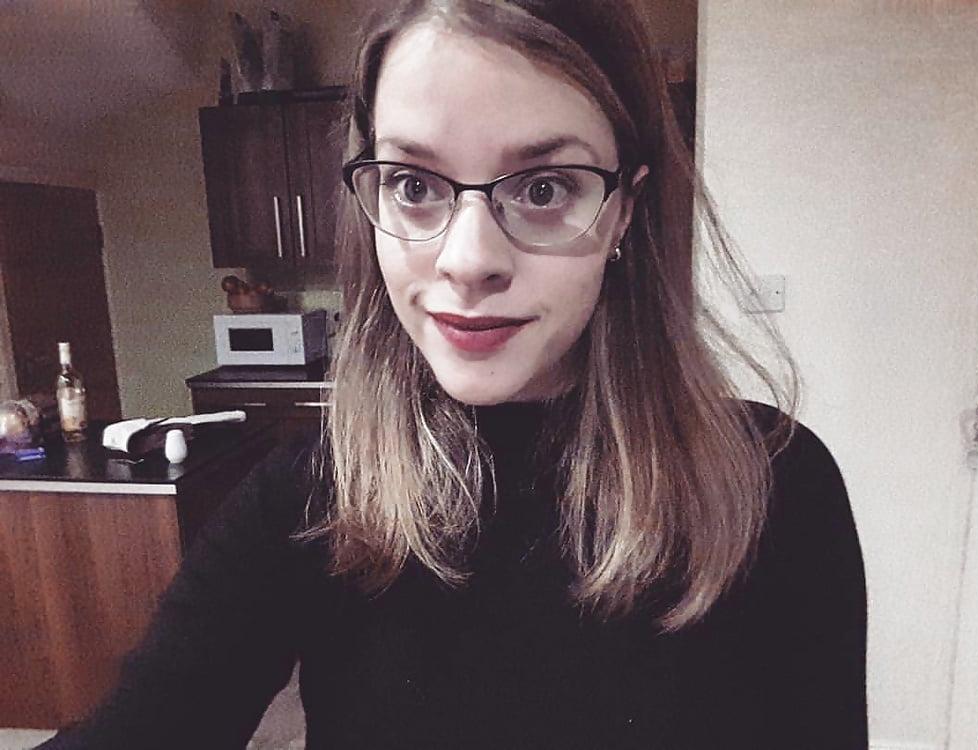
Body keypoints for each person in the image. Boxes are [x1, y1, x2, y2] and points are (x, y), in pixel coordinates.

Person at [38, 0, 867, 748]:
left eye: (544, 187)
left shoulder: (772, 486)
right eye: (413, 184)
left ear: (624, 209)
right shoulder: (312, 498)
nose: (467, 260)